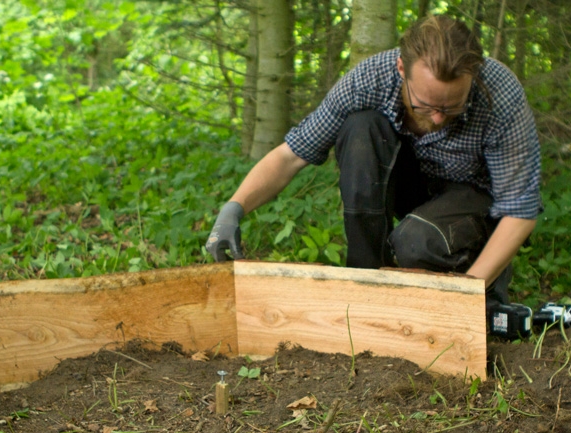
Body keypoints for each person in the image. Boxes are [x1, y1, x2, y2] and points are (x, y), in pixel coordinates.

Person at [205, 14, 541, 303]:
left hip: (472, 199)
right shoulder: (368, 80)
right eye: (426, 104)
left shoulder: (499, 94)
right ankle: (367, 281)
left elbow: (519, 210)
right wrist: (233, 209)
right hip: (412, 185)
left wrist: (472, 290)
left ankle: (474, 281)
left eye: (452, 106)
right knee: (361, 126)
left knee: (416, 241)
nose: (438, 118)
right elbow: (292, 155)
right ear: (401, 68)